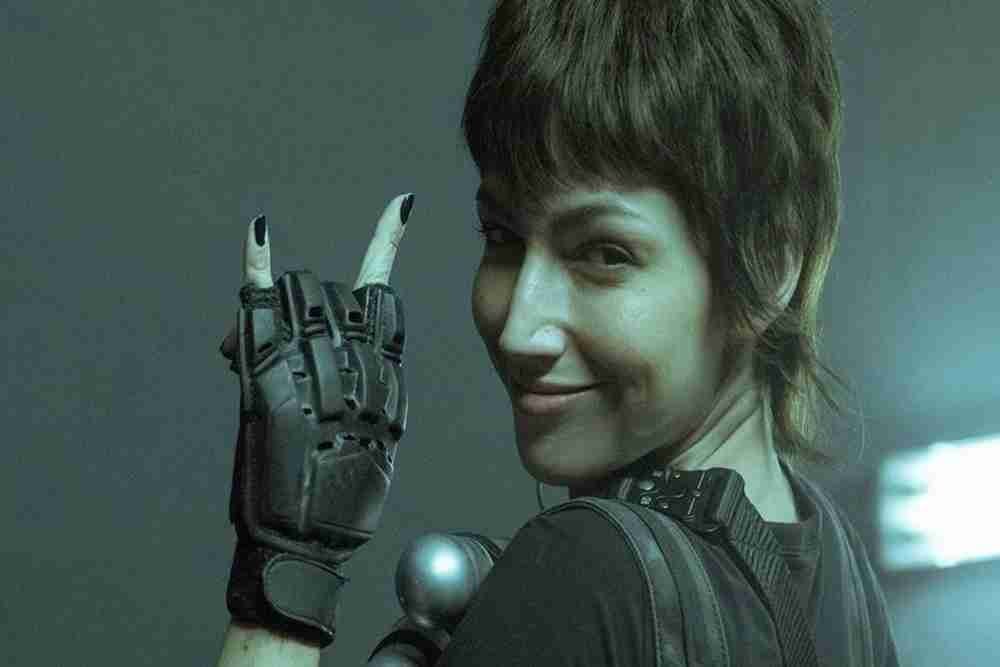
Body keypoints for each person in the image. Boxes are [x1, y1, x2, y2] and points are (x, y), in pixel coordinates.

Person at [216, 0, 901, 665]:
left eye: (604, 253)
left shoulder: (583, 573)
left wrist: (286, 584)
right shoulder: (842, 574)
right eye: (501, 235)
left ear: (769, 263)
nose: (520, 329)